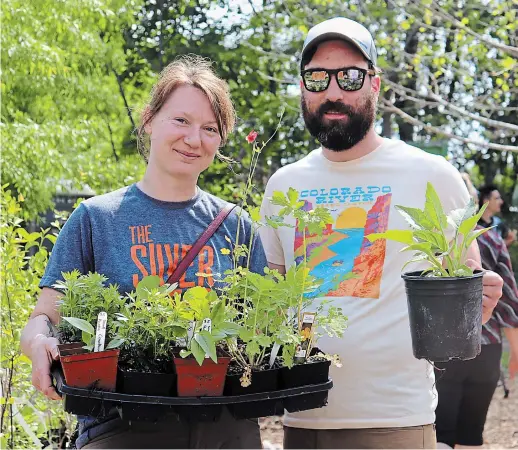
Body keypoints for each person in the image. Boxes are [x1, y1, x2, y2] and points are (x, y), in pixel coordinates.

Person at [259, 17, 504, 449]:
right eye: (317, 78)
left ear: (374, 84)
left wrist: (479, 302)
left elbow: (465, 289)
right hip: (300, 420)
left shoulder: (432, 175)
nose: (333, 92)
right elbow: (270, 301)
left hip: (396, 421)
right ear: (302, 88)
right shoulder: (283, 185)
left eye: (349, 76)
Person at [20, 55, 266, 449]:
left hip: (225, 429)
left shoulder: (237, 227)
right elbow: (44, 318)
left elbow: (262, 332)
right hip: (120, 429)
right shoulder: (95, 219)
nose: (193, 139)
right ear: (149, 119)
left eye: (210, 128)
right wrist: (38, 344)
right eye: (181, 120)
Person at [434, 185, 518, 449]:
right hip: (486, 346)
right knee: (471, 433)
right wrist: (515, 350)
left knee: (440, 433)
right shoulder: (493, 239)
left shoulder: (435, 240)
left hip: (445, 346)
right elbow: (508, 299)